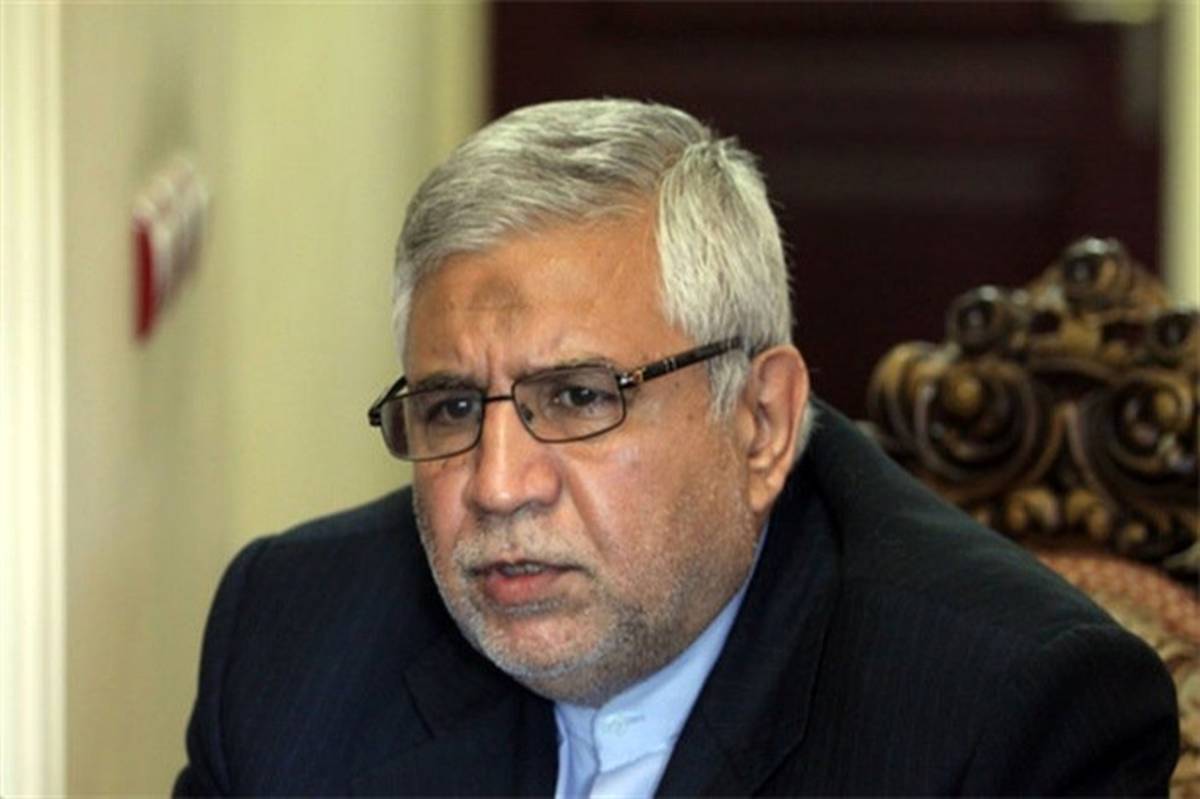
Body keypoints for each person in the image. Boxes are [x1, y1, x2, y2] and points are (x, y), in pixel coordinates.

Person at [175, 98, 1178, 796]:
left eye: (577, 396)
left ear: (761, 422)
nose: (498, 484)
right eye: (450, 408)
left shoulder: (1008, 718)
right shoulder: (292, 635)